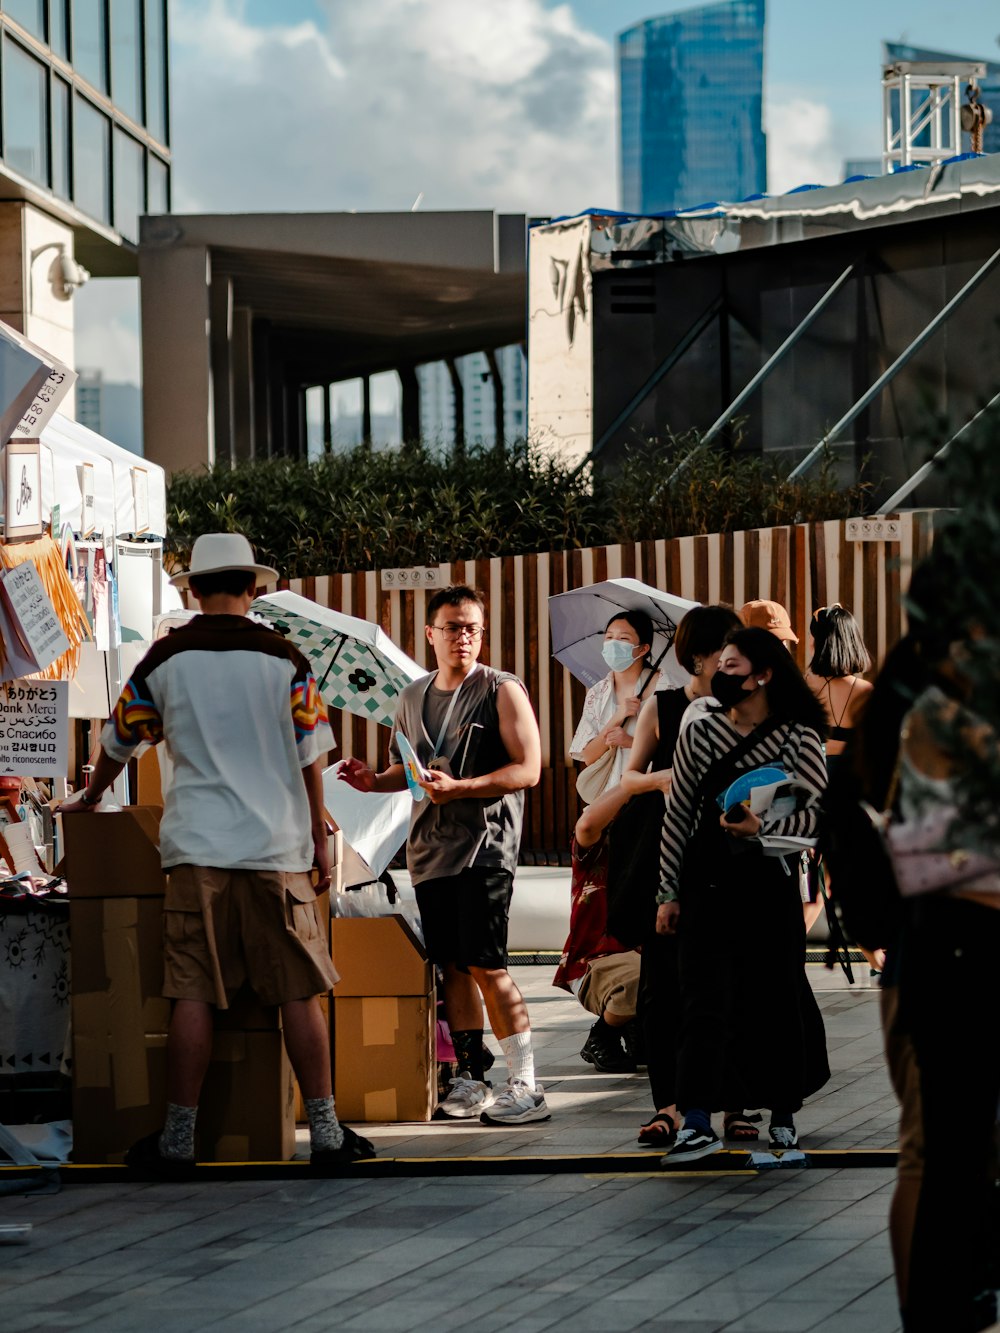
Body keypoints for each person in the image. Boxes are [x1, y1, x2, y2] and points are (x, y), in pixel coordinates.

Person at [61, 533, 371, 1174]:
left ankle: (178, 1141)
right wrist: (317, 838)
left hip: (196, 852)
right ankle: (328, 1134)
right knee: (298, 993)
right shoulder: (286, 660)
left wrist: (89, 797)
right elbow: (313, 758)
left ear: (194, 591)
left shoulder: (162, 661)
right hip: (277, 851)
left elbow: (119, 745)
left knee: (193, 993)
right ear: (252, 588)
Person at [339, 584, 547, 1125]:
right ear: (430, 634)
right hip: (429, 851)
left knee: (486, 962)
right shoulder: (412, 697)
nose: (464, 637)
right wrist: (370, 780)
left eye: (473, 628)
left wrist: (463, 787)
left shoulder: (501, 689)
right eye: (453, 627)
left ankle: (526, 1082)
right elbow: (405, 774)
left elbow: (528, 770)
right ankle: (472, 1077)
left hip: (484, 847)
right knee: (451, 967)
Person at [657, 625, 830, 1162]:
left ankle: (782, 1115)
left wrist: (761, 830)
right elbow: (678, 814)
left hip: (769, 881)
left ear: (762, 674)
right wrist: (667, 892)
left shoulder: (799, 735)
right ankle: (698, 1120)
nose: (719, 675)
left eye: (731, 667)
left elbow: (819, 812)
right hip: (707, 882)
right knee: (703, 1001)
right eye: (719, 665)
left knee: (775, 999)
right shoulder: (701, 733)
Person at [614, 604, 744, 1148]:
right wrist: (674, 775)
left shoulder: (746, 708)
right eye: (727, 652)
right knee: (663, 988)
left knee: (726, 984)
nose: (736, 661)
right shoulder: (663, 708)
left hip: (727, 858)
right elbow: (629, 778)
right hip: (663, 856)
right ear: (699, 656)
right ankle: (667, 1106)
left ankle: (733, 1101)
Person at [554, 781, 642, 1074]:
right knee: (644, 978)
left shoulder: (656, 854)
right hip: (597, 961)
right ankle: (603, 1033)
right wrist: (637, 779)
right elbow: (589, 824)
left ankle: (635, 1027)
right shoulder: (595, 852)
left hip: (642, 953)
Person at [569, 610, 659, 801]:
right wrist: (618, 716)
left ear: (643, 649)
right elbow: (589, 756)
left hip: (652, 795)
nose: (613, 644)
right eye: (609, 637)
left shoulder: (665, 688)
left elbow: (676, 752)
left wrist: (630, 742)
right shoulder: (598, 693)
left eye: (623, 638)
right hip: (609, 798)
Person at [804, 604, 873, 768]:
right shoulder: (866, 691)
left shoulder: (803, 685)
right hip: (850, 777)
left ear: (816, 642)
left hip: (811, 773)